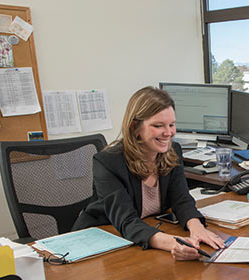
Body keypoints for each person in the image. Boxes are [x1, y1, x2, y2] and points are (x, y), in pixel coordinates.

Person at [73, 86, 224, 260]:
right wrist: (174, 244)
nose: (168, 133)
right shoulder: (107, 162)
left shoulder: (172, 150)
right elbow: (127, 221)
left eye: (172, 125)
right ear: (135, 127)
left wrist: (197, 228)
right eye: (158, 125)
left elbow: (181, 200)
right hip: (102, 242)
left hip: (144, 236)